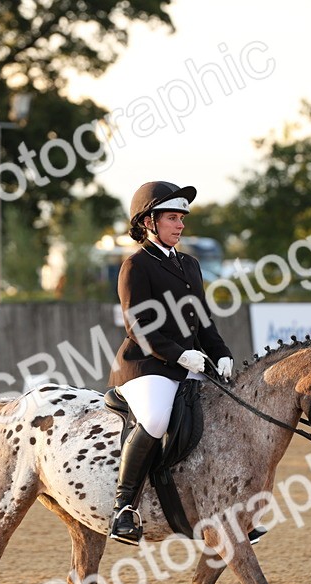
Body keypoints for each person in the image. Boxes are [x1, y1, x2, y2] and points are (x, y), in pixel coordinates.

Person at [106, 181, 234, 545]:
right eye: (172, 218)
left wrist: (221, 351)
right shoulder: (135, 266)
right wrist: (179, 354)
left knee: (226, 415)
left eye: (181, 219)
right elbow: (138, 326)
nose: (180, 225)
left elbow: (203, 321)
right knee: (156, 418)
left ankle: (226, 509)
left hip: (188, 363)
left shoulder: (190, 265)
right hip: (144, 366)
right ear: (149, 222)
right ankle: (124, 509)